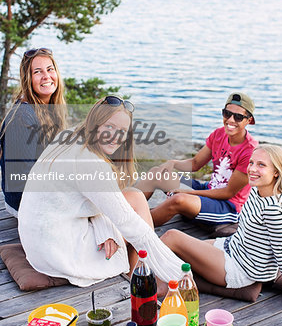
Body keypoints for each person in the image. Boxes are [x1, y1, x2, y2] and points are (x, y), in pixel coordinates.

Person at [18, 96, 184, 288]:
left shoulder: (69, 136)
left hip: (35, 239)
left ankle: (135, 271)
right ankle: (142, 280)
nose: (115, 137)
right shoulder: (92, 164)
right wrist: (178, 272)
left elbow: (90, 200)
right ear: (95, 123)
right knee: (136, 204)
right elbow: (132, 226)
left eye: (122, 131)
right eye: (109, 127)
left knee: (133, 196)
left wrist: (105, 228)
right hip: (57, 252)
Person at [161, 145, 282, 305]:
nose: (252, 169)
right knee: (175, 254)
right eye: (251, 162)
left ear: (276, 172)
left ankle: (154, 286)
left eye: (261, 165)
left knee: (172, 237)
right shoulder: (256, 191)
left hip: (239, 269)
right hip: (231, 246)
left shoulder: (276, 212)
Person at [137, 92, 258, 227]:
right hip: (209, 189)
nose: (230, 120)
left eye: (238, 117)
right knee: (156, 173)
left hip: (227, 206)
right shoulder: (219, 134)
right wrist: (173, 163)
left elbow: (228, 192)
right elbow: (195, 164)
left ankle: (132, 227)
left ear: (249, 120)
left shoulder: (250, 151)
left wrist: (190, 193)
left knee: (179, 199)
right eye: (227, 114)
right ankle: (125, 213)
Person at [0, 48, 66, 216]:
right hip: (25, 204)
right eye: (38, 72)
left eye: (50, 69)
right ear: (28, 79)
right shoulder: (22, 117)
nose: (46, 76)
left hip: (40, 194)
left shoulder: (49, 109)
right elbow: (21, 179)